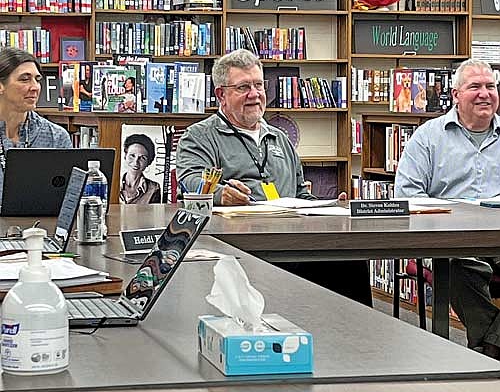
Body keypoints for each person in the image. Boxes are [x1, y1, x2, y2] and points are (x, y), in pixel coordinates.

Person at [176, 49, 372, 306]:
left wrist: (327, 206)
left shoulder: (280, 138)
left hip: (290, 241)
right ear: (221, 95)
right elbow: (190, 180)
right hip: (240, 246)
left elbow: (300, 194)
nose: (255, 94)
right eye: (243, 87)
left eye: (259, 85)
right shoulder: (199, 136)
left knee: (349, 257)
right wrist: (220, 194)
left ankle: (356, 339)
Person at [395, 58, 500, 359]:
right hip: (451, 239)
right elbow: (408, 194)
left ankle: (490, 346)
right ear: (455, 95)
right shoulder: (428, 137)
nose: (484, 93)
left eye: (490, 86)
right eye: (474, 87)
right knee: (457, 263)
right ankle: (491, 344)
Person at [0, 46, 72, 201]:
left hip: (41, 224)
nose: (35, 87)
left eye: (37, 80)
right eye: (25, 79)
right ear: (1, 86)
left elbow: (67, 199)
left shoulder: (57, 137)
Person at [120, 133, 161, 204]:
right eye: (132, 155)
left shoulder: (154, 188)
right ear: (125, 156)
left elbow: (153, 215)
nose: (136, 162)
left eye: (142, 158)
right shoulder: (112, 184)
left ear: (148, 162)